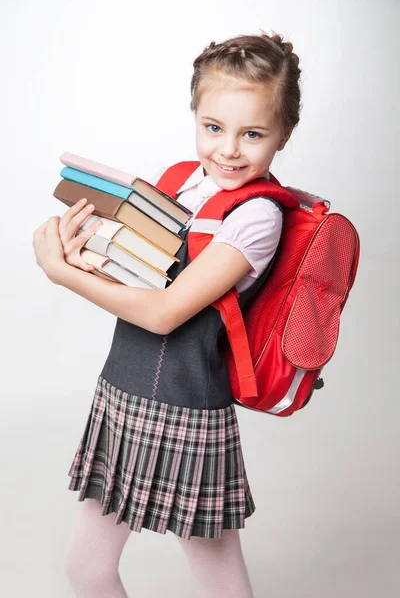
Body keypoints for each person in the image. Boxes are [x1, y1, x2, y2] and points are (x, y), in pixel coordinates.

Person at [33, 29, 301, 598]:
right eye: (213, 127)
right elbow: (142, 278)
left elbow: (163, 313)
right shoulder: (182, 183)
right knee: (86, 567)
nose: (228, 149)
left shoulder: (257, 217)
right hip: (122, 392)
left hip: (187, 410)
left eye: (252, 133)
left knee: (217, 570)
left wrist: (63, 274)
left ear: (284, 134)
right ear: (195, 115)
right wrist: (86, 258)